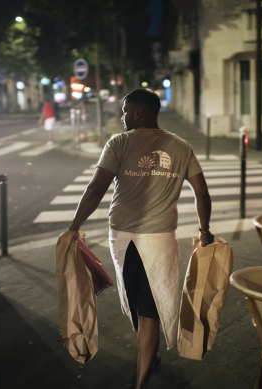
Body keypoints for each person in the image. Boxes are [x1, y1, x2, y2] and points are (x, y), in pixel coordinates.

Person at [68, 88, 214, 388]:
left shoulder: (119, 143)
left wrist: (74, 226)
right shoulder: (181, 146)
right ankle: (147, 360)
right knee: (147, 309)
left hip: (121, 237)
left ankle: (142, 377)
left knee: (140, 305)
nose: (122, 117)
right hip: (159, 239)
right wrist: (204, 229)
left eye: (125, 111)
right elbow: (201, 191)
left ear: (139, 112)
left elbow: (96, 189)